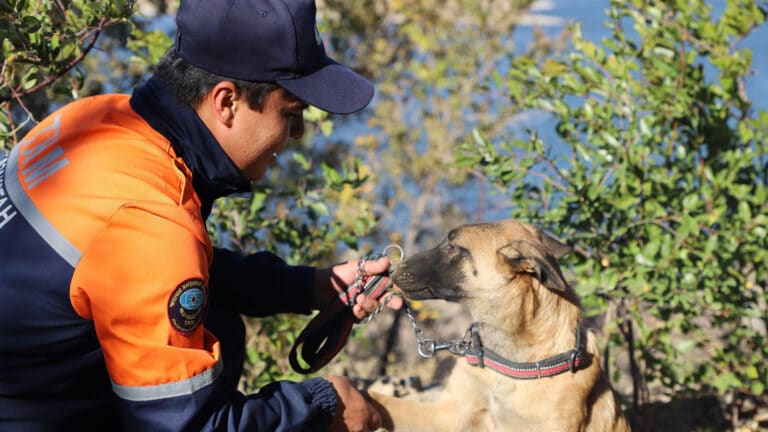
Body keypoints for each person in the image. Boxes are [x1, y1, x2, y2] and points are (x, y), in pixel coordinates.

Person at [0, 0, 402, 430]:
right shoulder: (151, 224)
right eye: (292, 112)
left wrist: (309, 287)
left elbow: (137, 272)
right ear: (226, 101)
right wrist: (324, 406)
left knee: (216, 323)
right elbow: (191, 427)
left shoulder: (97, 119)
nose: (299, 133)